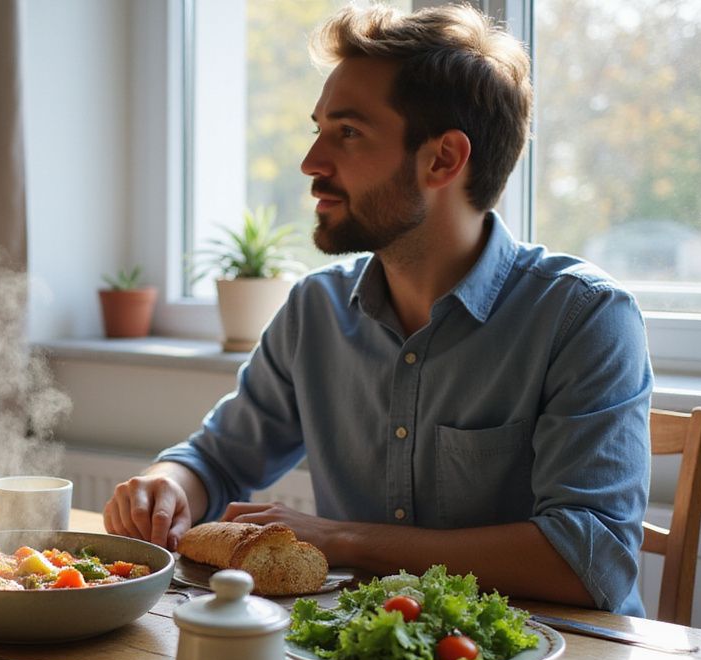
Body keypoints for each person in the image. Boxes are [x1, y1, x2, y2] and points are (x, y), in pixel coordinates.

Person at [104, 4, 652, 615]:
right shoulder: (316, 309)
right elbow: (216, 459)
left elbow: (590, 558)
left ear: (443, 159)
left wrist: (342, 541)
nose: (311, 164)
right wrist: (168, 486)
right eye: (317, 130)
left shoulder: (584, 317)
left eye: (348, 133)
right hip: (365, 659)